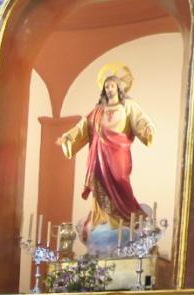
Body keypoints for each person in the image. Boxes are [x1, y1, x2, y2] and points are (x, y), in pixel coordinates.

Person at [59, 69, 155, 239]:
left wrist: (147, 129)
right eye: (106, 86)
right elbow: (83, 126)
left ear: (119, 88)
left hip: (119, 153)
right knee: (100, 184)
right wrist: (68, 137)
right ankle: (102, 218)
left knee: (120, 180)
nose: (109, 89)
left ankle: (126, 216)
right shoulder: (98, 110)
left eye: (112, 86)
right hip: (99, 155)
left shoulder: (128, 106)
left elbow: (141, 120)